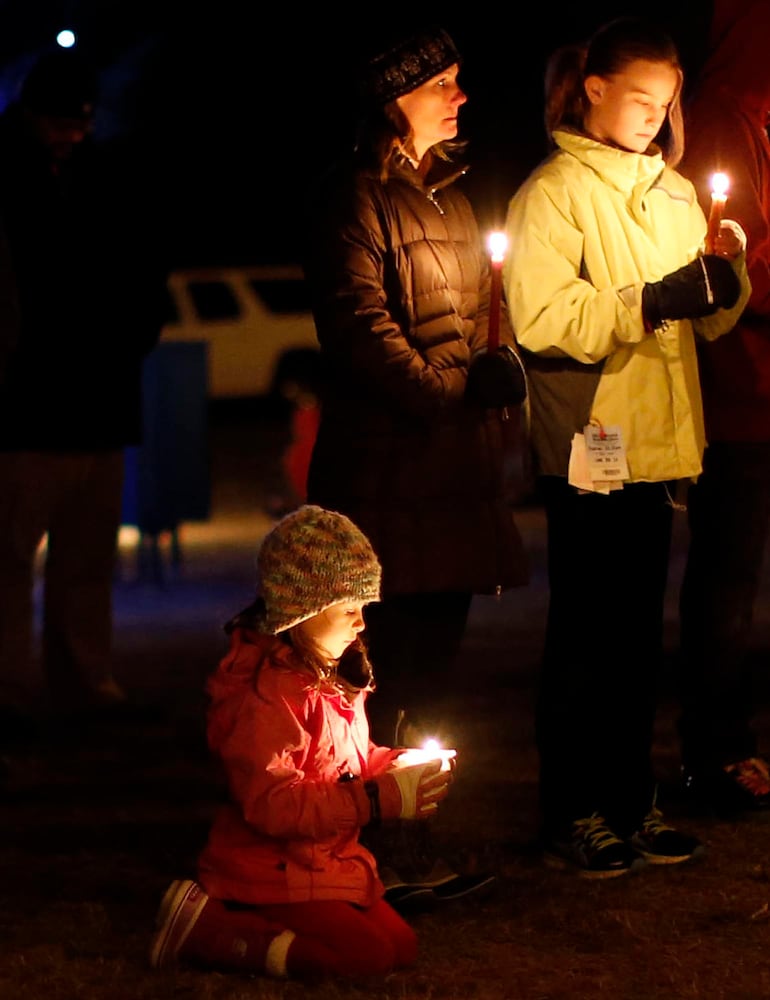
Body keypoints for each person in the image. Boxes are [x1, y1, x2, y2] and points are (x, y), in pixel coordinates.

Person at [503, 16, 751, 878]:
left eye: (667, 100)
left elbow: (705, 321)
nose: (654, 114)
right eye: (639, 96)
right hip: (590, 439)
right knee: (586, 632)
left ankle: (629, 802)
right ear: (594, 89)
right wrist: (651, 297)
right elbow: (542, 317)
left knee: (641, 635)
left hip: (660, 444)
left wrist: (726, 275)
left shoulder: (676, 193)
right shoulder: (555, 192)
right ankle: (572, 810)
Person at [301, 23, 528, 905]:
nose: (460, 96)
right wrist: (450, 390)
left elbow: (475, 316)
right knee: (378, 667)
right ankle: (362, 846)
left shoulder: (450, 198)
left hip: (453, 478)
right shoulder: (350, 199)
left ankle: (411, 837)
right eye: (444, 82)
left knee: (434, 664)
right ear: (395, 96)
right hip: (386, 476)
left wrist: (493, 370)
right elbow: (359, 328)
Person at [148, 504, 454, 980]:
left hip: (321, 865)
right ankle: (210, 927)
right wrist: (375, 800)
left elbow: (343, 764)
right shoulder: (269, 697)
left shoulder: (332, 676)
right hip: (268, 871)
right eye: (350, 609)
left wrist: (396, 766)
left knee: (400, 946)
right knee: (365, 958)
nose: (362, 624)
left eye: (364, 609)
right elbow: (273, 804)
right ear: (303, 611)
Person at [0, 48, 167, 751]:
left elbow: (142, 273)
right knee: (12, 562)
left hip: (91, 401)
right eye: (62, 122)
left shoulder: (104, 176)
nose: (72, 133)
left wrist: (131, 334)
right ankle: (16, 689)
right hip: (27, 408)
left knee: (82, 562)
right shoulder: (15, 177)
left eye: (80, 122)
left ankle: (81, 679)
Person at [676, 0, 770, 818]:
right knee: (729, 579)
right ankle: (718, 747)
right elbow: (732, 259)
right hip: (744, 393)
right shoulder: (724, 116)